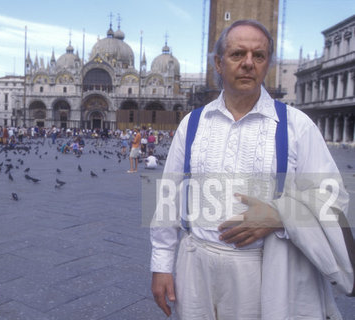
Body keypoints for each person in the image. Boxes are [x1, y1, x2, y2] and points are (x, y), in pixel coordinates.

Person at [150, 20, 354, 320]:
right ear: (219, 63)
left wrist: (281, 215)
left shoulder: (297, 125)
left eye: (258, 56)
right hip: (196, 268)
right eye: (237, 54)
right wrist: (161, 265)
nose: (248, 63)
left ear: (267, 64)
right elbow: (169, 198)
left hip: (269, 270)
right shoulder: (192, 123)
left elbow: (335, 198)